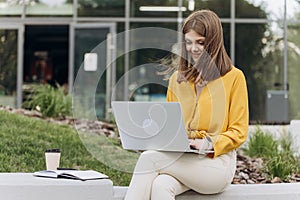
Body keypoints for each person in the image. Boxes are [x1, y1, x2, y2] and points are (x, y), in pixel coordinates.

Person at [124, 9, 249, 200]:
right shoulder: (177, 79)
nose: (193, 48)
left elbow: (239, 131)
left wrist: (207, 143)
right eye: (188, 42)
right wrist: (152, 138)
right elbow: (170, 126)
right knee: (161, 186)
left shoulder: (234, 78)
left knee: (149, 159)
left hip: (217, 164)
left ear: (214, 43)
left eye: (200, 42)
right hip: (183, 158)